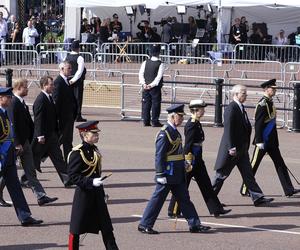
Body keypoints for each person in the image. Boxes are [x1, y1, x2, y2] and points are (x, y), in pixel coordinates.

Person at [138, 104, 211, 234]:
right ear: (172, 117)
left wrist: (184, 164)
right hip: (167, 173)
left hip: (177, 172)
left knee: (185, 199)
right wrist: (160, 173)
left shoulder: (174, 131)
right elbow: (159, 155)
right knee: (157, 199)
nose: (182, 119)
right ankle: (145, 224)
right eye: (180, 116)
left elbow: (177, 152)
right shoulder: (164, 133)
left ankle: (195, 224)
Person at [212, 84, 274, 207]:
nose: (245, 95)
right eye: (243, 93)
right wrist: (231, 147)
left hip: (242, 149)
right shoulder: (232, 108)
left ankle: (257, 197)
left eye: (245, 93)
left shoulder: (240, 107)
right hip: (233, 149)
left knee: (248, 174)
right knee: (221, 175)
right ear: (236, 94)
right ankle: (210, 198)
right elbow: (228, 129)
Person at [168, 100, 231, 218]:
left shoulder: (196, 123)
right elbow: (188, 145)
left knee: (206, 185)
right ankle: (173, 210)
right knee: (182, 186)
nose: (204, 111)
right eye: (202, 109)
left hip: (198, 160)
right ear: (196, 110)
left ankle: (216, 209)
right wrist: (187, 161)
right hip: (191, 160)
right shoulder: (191, 124)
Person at [240, 79, 300, 197]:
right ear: (267, 89)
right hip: (262, 141)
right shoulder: (262, 104)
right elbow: (258, 124)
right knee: (253, 165)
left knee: (280, 164)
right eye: (273, 88)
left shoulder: (269, 102)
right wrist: (258, 141)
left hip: (271, 141)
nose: (275, 90)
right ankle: (244, 188)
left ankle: (288, 189)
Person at [6, 78, 58, 206]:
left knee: (30, 171)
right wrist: (17, 143)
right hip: (17, 144)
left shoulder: (22, 102)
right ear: (18, 88)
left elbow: (28, 123)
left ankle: (41, 196)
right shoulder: (13, 103)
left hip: (25, 143)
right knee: (6, 172)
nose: (27, 89)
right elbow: (12, 125)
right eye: (25, 87)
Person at [68, 121, 119, 250]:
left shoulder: (94, 150)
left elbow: (96, 171)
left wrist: (101, 190)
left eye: (97, 134)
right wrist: (91, 182)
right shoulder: (77, 153)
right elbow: (73, 176)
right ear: (84, 135)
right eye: (94, 134)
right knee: (76, 228)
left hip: (97, 193)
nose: (97, 136)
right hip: (84, 195)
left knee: (106, 227)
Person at [0, 87, 43, 226]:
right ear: (1, 99)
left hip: (9, 157)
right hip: (1, 158)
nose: (11, 99)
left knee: (15, 187)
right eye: (8, 97)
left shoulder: (5, 113)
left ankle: (25, 217)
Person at [32, 76, 71, 187]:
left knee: (58, 157)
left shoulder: (48, 98)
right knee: (35, 158)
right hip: (43, 137)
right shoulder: (40, 100)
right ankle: (25, 177)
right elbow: (38, 119)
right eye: (51, 84)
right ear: (44, 86)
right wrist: (40, 135)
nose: (53, 86)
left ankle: (66, 178)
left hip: (51, 136)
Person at [53, 61, 78, 162]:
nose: (71, 70)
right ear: (62, 69)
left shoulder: (66, 80)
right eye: (69, 68)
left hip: (69, 116)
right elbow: (56, 101)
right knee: (60, 141)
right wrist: (57, 118)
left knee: (68, 141)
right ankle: (40, 156)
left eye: (71, 68)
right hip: (63, 118)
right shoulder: (58, 82)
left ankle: (69, 162)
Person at [139, 44, 165, 127]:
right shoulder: (160, 64)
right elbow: (158, 77)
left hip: (145, 86)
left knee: (146, 103)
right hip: (155, 88)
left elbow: (141, 74)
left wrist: (144, 84)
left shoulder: (145, 62)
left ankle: (146, 120)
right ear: (159, 52)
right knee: (155, 104)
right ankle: (155, 121)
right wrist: (152, 85)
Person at [66, 40, 87, 122]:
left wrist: (68, 79)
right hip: (77, 81)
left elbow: (63, 68)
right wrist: (74, 80)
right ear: (78, 48)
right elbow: (80, 71)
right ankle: (78, 116)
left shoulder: (67, 57)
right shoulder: (80, 57)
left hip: (68, 79)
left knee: (70, 98)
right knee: (78, 98)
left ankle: (71, 114)